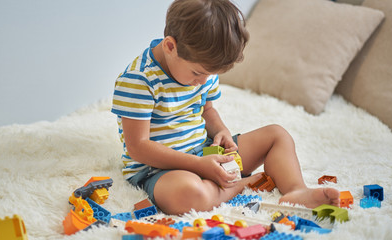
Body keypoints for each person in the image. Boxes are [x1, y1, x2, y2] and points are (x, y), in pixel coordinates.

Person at [111, 0, 339, 215]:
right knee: (187, 195)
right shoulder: (138, 80)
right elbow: (138, 147)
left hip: (204, 151)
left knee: (277, 135)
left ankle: (295, 190)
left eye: (210, 75)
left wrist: (221, 131)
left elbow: (206, 110)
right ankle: (240, 184)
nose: (203, 81)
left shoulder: (202, 69)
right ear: (171, 46)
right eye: (198, 73)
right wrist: (198, 165)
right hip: (158, 169)